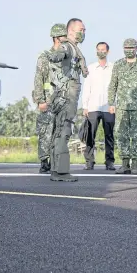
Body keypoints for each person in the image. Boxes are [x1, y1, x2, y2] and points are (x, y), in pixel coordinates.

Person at [46, 18, 88, 182]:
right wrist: (55, 55)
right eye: (81, 29)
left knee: (61, 132)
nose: (83, 32)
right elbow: (60, 54)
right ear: (70, 30)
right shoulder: (67, 46)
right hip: (66, 96)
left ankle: (56, 170)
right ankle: (61, 172)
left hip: (67, 95)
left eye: (84, 30)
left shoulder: (74, 48)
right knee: (64, 131)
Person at [108, 38, 137, 175]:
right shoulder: (118, 64)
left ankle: (134, 165)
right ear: (123, 49)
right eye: (127, 48)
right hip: (122, 106)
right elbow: (113, 84)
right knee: (121, 135)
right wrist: (111, 103)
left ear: (136, 49)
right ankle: (124, 164)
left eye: (132, 48)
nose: (129, 50)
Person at [32, 24, 67, 174]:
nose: (66, 39)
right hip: (48, 100)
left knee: (59, 132)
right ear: (56, 38)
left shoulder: (67, 57)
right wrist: (40, 100)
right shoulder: (45, 57)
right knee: (46, 131)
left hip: (63, 101)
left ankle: (56, 160)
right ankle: (44, 161)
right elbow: (38, 79)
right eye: (63, 36)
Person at [82, 42, 115, 170]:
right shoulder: (91, 68)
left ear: (108, 52)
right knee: (90, 135)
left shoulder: (113, 68)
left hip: (109, 107)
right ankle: (89, 162)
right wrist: (85, 106)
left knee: (109, 135)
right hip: (93, 107)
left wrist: (114, 104)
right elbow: (87, 88)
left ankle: (110, 162)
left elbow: (116, 87)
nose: (100, 52)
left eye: (103, 49)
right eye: (98, 50)